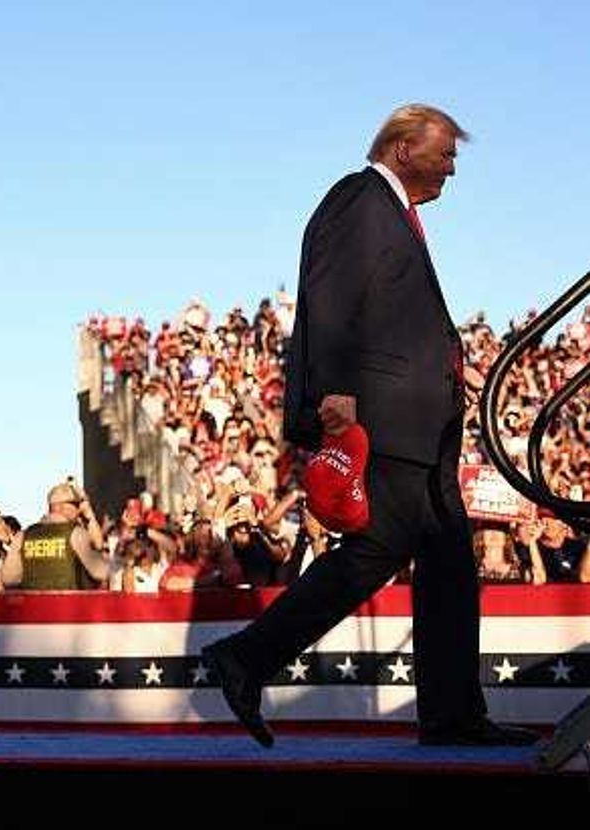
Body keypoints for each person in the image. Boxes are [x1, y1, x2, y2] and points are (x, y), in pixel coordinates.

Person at [202, 104, 538, 748]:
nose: (452, 169)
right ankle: (252, 658)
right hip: (385, 419)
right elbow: (330, 298)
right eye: (446, 154)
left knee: (428, 561)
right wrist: (335, 394)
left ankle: (447, 713)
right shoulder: (359, 199)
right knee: (393, 553)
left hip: (421, 422)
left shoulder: (395, 218)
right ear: (403, 148)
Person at [1, 481, 108, 590]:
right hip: (68, 604)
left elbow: (8, 579)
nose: (79, 509)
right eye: (76, 505)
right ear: (60, 507)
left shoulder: (23, 536)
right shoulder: (76, 533)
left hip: (34, 605)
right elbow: (101, 572)